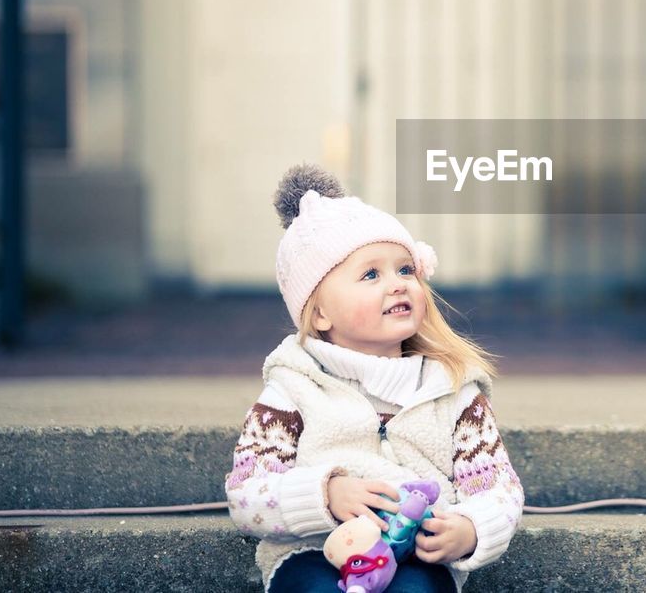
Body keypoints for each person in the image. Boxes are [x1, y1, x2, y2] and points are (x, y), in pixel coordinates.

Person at [225, 163, 525, 593]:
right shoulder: (292, 389)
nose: (398, 285)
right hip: (314, 551)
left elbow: (499, 488)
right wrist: (324, 495)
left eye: (406, 270)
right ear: (321, 312)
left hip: (417, 555)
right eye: (371, 274)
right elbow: (246, 492)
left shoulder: (454, 389)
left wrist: (471, 527)